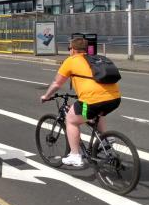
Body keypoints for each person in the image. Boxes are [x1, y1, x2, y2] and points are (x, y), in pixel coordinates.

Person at [40, 37, 121, 167]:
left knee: (71, 120)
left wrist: (46, 96)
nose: (69, 51)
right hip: (114, 99)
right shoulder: (95, 59)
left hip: (92, 100)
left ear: (72, 49)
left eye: (69, 49)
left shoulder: (71, 61)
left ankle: (75, 155)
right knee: (93, 114)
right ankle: (105, 139)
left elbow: (57, 83)